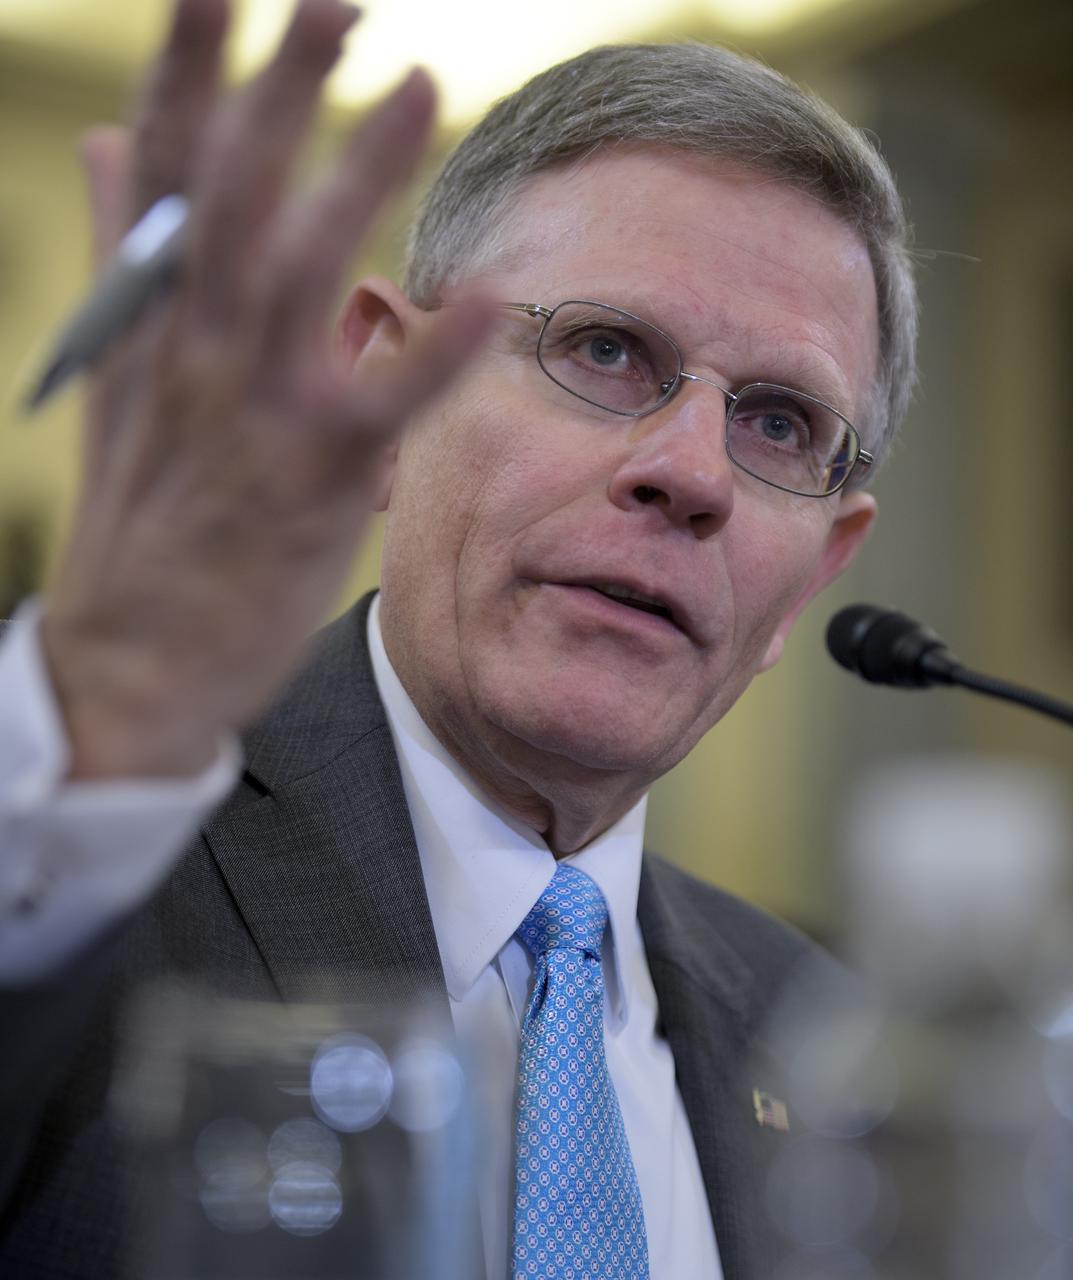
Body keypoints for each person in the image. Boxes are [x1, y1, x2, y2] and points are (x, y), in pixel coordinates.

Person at [0, 0, 917, 1276]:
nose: (691, 473)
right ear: (388, 396)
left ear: (816, 570)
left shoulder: (830, 1039)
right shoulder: (73, 861)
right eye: (604, 348)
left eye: (776, 425)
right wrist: (76, 751)